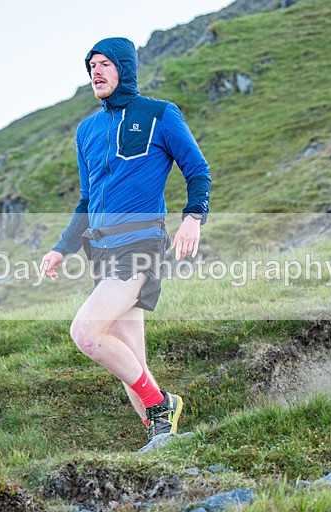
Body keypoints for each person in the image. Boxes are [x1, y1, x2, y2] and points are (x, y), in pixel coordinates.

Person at [40, 37, 211, 450]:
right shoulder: (87, 130)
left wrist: (193, 219)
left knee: (85, 333)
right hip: (101, 251)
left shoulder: (159, 114)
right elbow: (85, 199)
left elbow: (198, 171)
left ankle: (161, 404)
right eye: (91, 66)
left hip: (140, 246)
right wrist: (62, 247)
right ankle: (164, 448)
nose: (96, 72)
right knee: (131, 364)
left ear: (124, 69)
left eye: (104, 64)